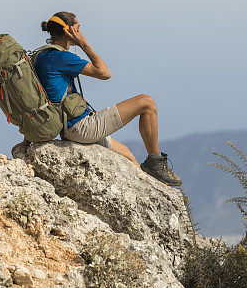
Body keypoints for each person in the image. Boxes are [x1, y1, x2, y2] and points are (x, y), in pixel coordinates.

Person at [12, 11, 182, 187]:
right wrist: (84, 44)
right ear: (68, 31)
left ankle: (149, 187)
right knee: (146, 102)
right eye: (77, 29)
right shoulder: (61, 57)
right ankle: (156, 162)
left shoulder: (40, 56)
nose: (80, 33)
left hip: (67, 127)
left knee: (129, 155)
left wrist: (27, 141)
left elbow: (35, 98)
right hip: (81, 128)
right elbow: (104, 73)